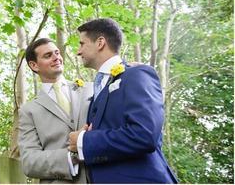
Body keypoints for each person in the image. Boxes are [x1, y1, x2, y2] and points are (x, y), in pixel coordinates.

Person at [68, 18, 178, 183]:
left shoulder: (137, 74)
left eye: (82, 44)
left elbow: (144, 134)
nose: (78, 51)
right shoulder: (98, 87)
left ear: (100, 43)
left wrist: (84, 141)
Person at [18, 38, 93, 183]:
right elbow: (29, 162)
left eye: (57, 53)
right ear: (34, 65)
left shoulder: (91, 89)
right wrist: (72, 155)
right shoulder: (29, 111)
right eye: (48, 56)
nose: (56, 58)